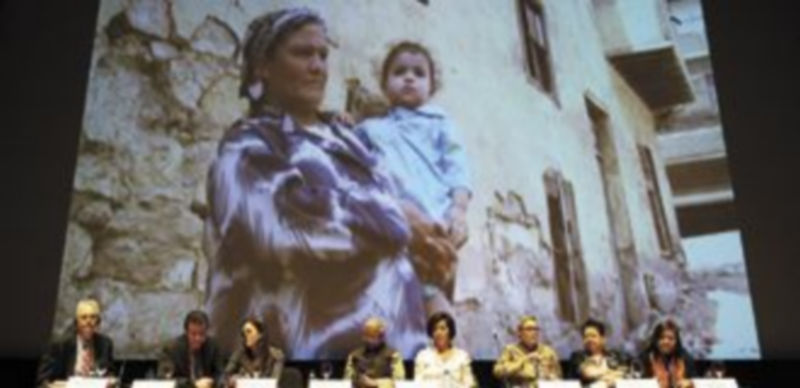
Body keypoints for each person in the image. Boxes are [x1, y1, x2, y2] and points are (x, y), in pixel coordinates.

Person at [202, 6, 429, 359]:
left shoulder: (348, 138)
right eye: (302, 53)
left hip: (396, 355)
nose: (317, 66)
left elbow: (398, 207)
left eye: (322, 55)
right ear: (264, 65)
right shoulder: (247, 145)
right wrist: (395, 220)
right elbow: (288, 229)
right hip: (305, 359)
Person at [356, 41, 471, 313]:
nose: (409, 77)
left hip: (434, 224)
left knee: (433, 299)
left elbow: (458, 167)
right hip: (391, 222)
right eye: (399, 72)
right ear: (385, 84)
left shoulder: (439, 122)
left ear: (432, 85)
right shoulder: (372, 128)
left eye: (419, 73)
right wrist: (341, 122)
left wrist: (459, 209)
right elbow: (351, 158)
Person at [37, 298, 115, 387]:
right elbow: (42, 381)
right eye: (84, 317)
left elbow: (109, 373)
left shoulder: (105, 344)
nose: (88, 322)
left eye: (93, 317)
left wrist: (111, 380)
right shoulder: (60, 345)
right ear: (76, 322)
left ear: (98, 321)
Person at [157, 310, 225, 388]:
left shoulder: (213, 346)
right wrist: (193, 385)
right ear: (186, 332)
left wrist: (221, 381)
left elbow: (220, 373)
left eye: (202, 334)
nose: (198, 338)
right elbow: (164, 378)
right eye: (193, 334)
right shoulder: (171, 349)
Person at [493, 315, 562, 387]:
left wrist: (551, 376)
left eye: (536, 329)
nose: (534, 332)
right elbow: (498, 371)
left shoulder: (548, 351)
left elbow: (558, 376)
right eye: (529, 329)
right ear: (520, 333)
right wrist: (524, 360)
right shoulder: (511, 350)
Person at [413, 312, 476, 387]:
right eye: (435, 329)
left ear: (450, 332)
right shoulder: (423, 356)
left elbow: (469, 384)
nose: (439, 333)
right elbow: (417, 384)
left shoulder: (462, 356)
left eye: (443, 328)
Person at [343, 318, 406, 387]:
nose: (369, 340)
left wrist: (376, 383)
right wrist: (358, 382)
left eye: (373, 336)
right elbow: (346, 383)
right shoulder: (354, 356)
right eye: (367, 335)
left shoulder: (393, 355)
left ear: (382, 336)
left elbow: (400, 382)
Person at [567, 318, 629, 387]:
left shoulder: (615, 356)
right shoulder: (577, 356)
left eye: (593, 336)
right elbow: (587, 373)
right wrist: (610, 375)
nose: (589, 339)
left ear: (603, 339)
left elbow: (623, 373)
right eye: (586, 336)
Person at [224, 317, 284, 385]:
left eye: (249, 331)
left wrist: (246, 382)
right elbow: (226, 376)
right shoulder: (239, 354)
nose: (245, 336)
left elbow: (274, 383)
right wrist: (233, 379)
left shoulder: (276, 355)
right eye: (243, 333)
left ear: (260, 334)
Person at [639, 319, 696, 388]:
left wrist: (688, 383)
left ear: (676, 341)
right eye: (662, 337)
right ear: (656, 340)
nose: (666, 342)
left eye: (671, 338)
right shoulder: (645, 358)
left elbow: (694, 381)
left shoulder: (685, 358)